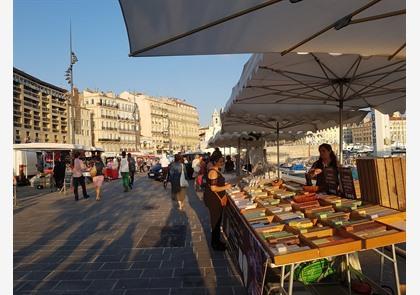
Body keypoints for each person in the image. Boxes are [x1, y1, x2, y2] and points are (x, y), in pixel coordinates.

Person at [203, 154, 232, 251]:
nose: (222, 163)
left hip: (214, 199)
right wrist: (226, 187)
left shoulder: (216, 171)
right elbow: (213, 188)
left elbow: (216, 184)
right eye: (220, 161)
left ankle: (217, 240)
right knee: (215, 221)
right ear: (215, 162)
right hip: (214, 200)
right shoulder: (213, 172)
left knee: (217, 220)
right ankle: (215, 244)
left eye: (223, 161)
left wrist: (224, 184)